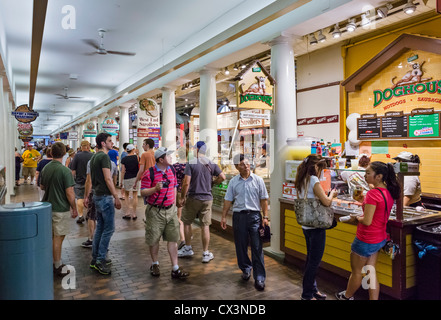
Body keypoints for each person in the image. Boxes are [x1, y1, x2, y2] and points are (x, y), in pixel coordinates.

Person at [336, 161, 401, 300]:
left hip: (365, 238)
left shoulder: (372, 193)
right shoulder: (387, 192)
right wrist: (364, 200)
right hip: (379, 238)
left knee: (357, 272)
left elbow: (367, 221)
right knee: (370, 271)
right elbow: (377, 210)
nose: (365, 175)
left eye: (368, 173)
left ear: (379, 176)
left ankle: (347, 296)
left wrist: (356, 218)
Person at [221, 154, 269, 291]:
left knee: (257, 246)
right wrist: (224, 217)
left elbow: (264, 199)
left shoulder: (258, 180)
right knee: (240, 245)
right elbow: (228, 200)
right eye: (242, 164)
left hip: (255, 217)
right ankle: (246, 269)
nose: (246, 165)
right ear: (237, 167)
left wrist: (265, 217)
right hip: (239, 217)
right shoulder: (233, 182)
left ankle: (259, 277)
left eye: (247, 163)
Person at [140, 147, 189, 279]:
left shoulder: (171, 170)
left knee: (173, 239)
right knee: (154, 239)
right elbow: (142, 192)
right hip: (155, 211)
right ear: (161, 159)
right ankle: (155, 264)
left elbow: (173, 188)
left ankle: (175, 268)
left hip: (170, 210)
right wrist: (154, 189)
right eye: (168, 156)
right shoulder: (149, 173)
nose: (171, 158)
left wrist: (174, 204)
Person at [294, 154, 337, 300]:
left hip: (306, 225)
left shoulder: (301, 179)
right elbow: (326, 202)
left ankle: (313, 290)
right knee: (314, 263)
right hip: (317, 226)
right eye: (321, 168)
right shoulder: (313, 179)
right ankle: (306, 295)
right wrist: (332, 194)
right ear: (316, 167)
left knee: (310, 259)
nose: (321, 172)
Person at [177, 141, 226, 263]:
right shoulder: (211, 163)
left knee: (187, 223)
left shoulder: (191, 163)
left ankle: (188, 248)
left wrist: (182, 197)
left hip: (193, 198)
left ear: (197, 150)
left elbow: (186, 182)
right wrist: (213, 183)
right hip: (207, 198)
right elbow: (223, 177)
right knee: (205, 226)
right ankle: (205, 253)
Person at [84, 132, 121, 275]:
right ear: (103, 143)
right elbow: (108, 178)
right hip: (105, 197)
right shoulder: (104, 157)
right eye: (110, 141)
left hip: (97, 196)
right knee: (109, 229)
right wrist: (116, 196)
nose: (112, 143)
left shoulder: (94, 158)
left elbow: (91, 179)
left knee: (100, 227)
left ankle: (95, 258)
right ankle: (100, 259)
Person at [40, 142, 78, 276]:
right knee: (58, 238)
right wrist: (74, 208)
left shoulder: (46, 168)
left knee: (51, 236)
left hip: (47, 207)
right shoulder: (65, 171)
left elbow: (42, 187)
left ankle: (51, 261)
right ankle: (57, 265)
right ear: (64, 153)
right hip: (60, 208)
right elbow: (70, 192)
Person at [70, 141, 93, 224]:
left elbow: (73, 170)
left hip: (79, 181)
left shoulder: (77, 156)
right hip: (91, 181)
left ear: (81, 147)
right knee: (89, 198)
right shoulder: (93, 156)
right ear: (88, 146)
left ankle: (80, 216)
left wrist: (71, 181)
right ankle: (88, 215)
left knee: (80, 198)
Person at [173, 146, 188, 250]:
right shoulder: (190, 166)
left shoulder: (174, 166)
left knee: (179, 217)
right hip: (189, 193)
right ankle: (187, 236)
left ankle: (183, 238)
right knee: (187, 217)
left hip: (178, 192)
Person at [121, 144, 139, 219]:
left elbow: (123, 171)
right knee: (135, 195)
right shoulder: (136, 158)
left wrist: (121, 181)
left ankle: (128, 212)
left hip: (127, 178)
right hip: (135, 178)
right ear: (133, 150)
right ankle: (134, 213)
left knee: (126, 195)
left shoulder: (124, 159)